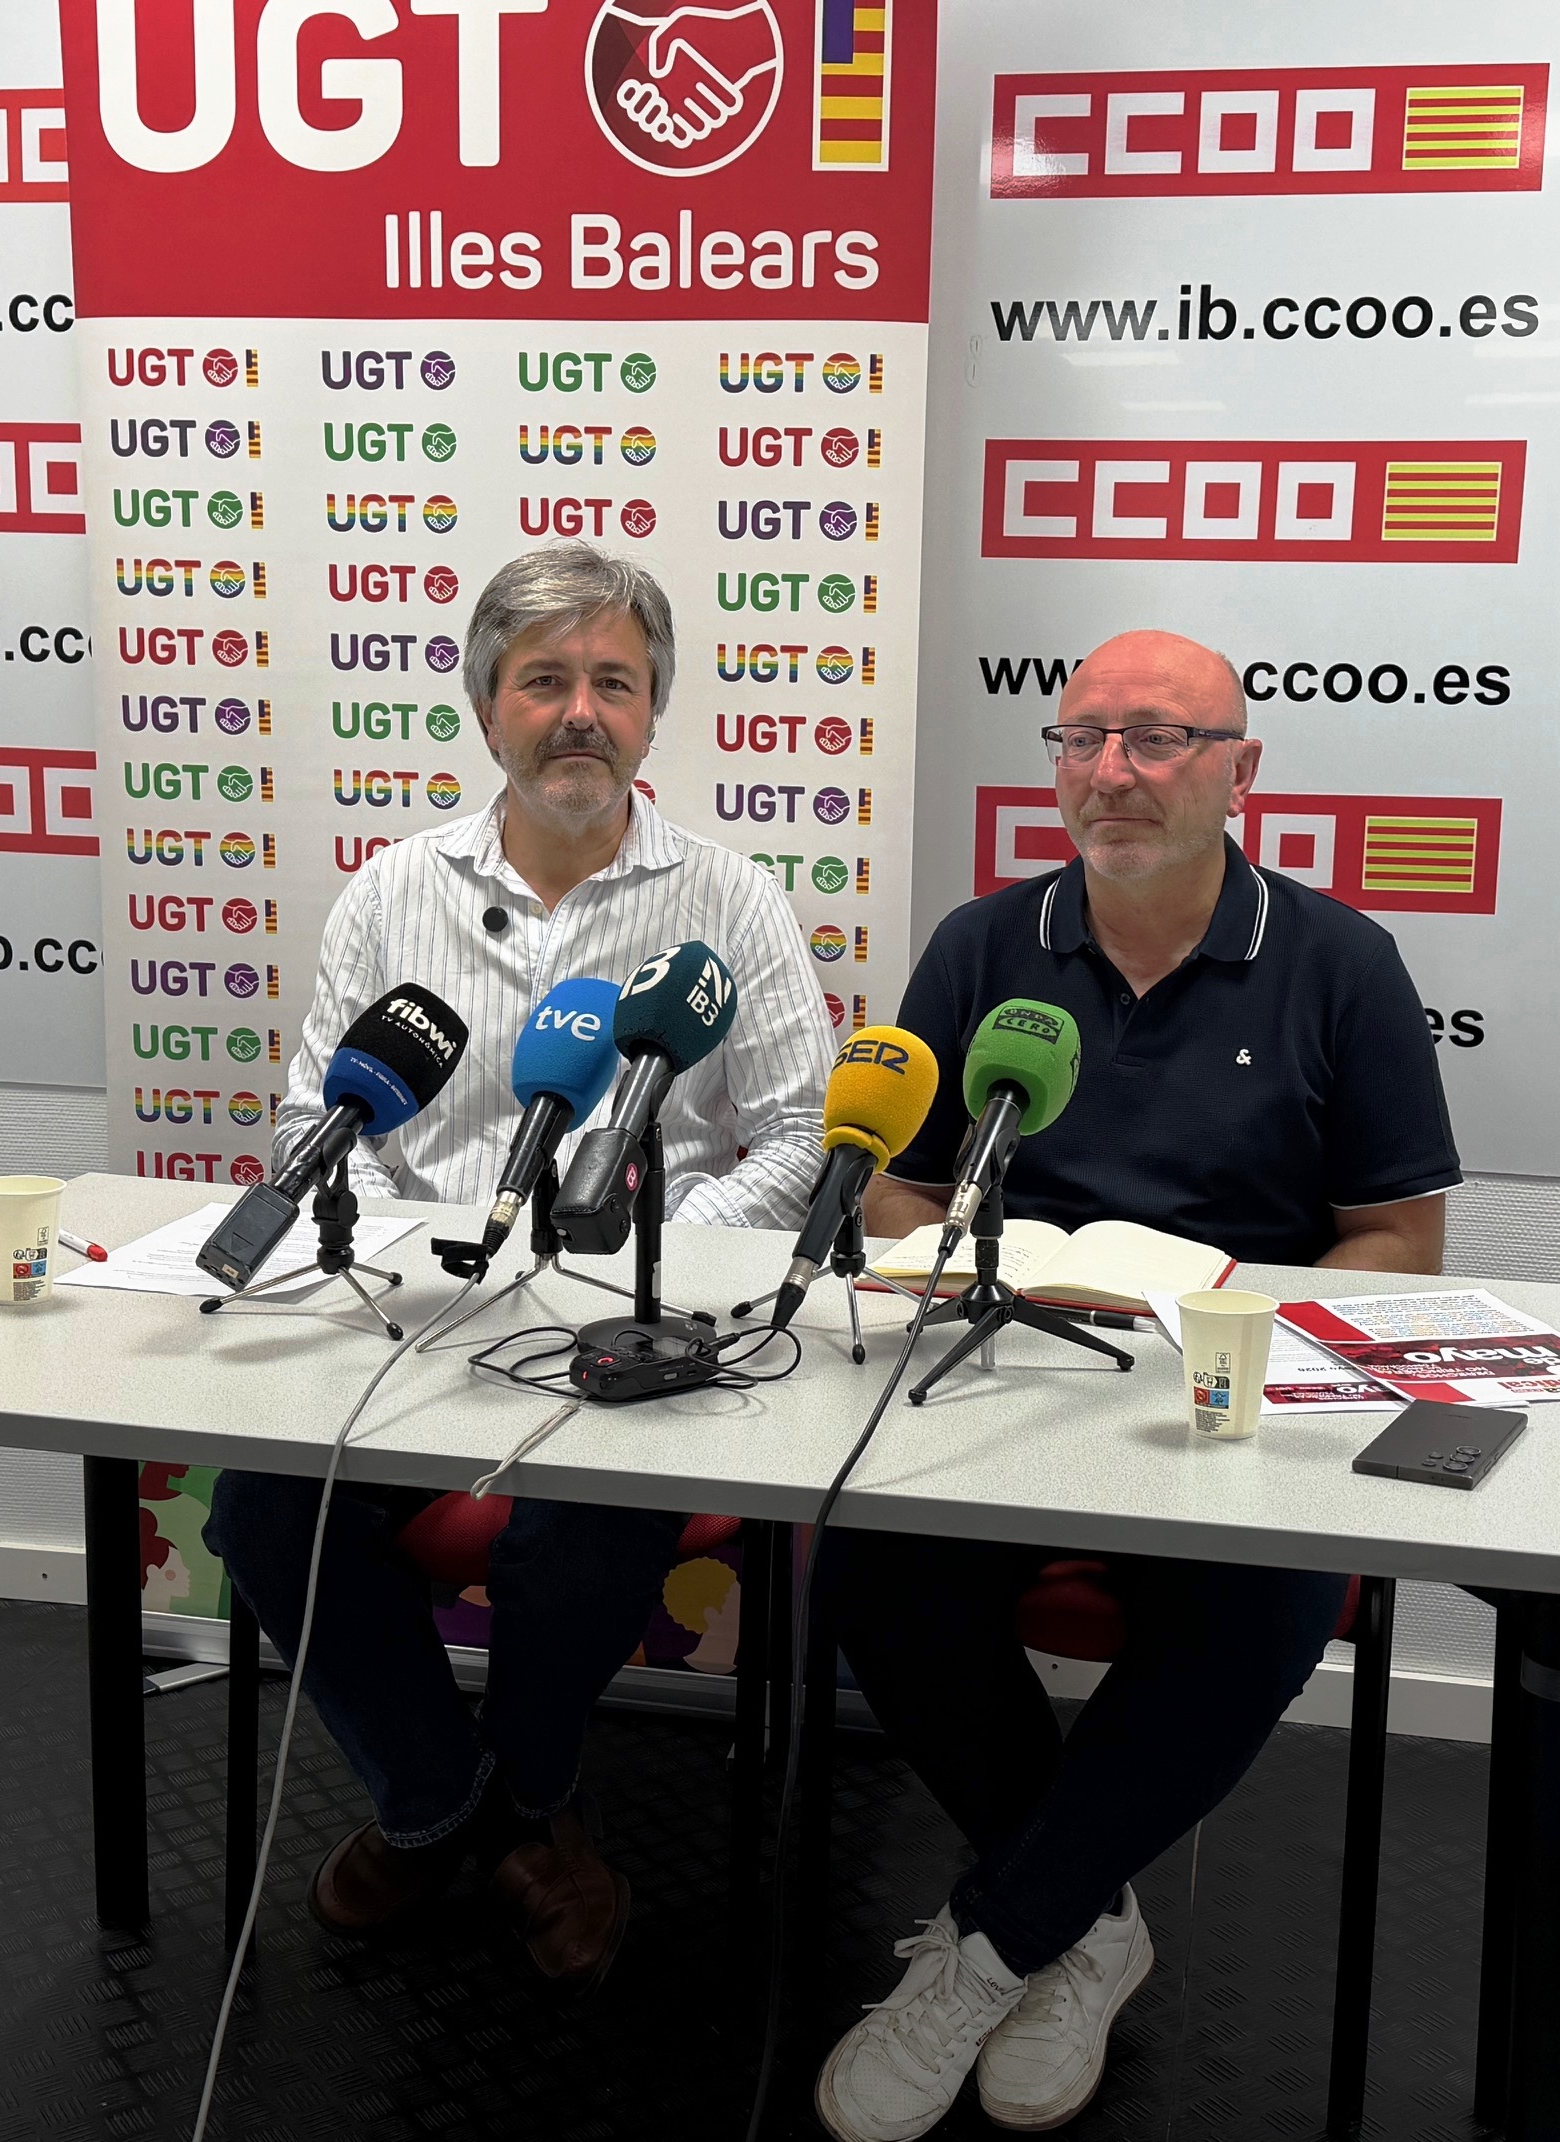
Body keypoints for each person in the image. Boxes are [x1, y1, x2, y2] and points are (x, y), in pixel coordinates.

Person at [813, 630, 1460, 2138]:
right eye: (1083, 736)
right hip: (1002, 1371)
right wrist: (951, 1252)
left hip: (1222, 1399)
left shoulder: (1341, 961)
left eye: (1159, 738)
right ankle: (1084, 1920)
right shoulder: (983, 943)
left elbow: (1398, 1236)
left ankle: (995, 1944)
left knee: (1267, 1602)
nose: (1113, 770)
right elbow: (896, 1190)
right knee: (873, 1566)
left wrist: (1252, 1316)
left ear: (1242, 769)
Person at [205, 542, 834, 1992]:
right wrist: (439, 1255)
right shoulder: (390, 890)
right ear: (487, 704)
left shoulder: (730, 902)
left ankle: (469, 1810)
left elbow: (795, 1141)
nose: (580, 713)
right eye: (545, 680)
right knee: (258, 1508)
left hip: (636, 1334)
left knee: (587, 1534)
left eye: (615, 682)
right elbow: (323, 1117)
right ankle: (473, 1813)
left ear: (655, 712)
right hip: (424, 1319)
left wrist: (651, 1271)